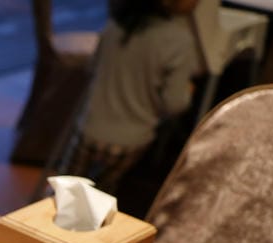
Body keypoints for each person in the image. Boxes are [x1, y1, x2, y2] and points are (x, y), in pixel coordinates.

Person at [58, 0, 202, 194]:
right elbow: (174, 103)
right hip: (131, 139)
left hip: (90, 127)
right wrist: (188, 91)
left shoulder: (116, 25)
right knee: (99, 195)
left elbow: (92, 67)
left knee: (65, 189)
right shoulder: (180, 42)